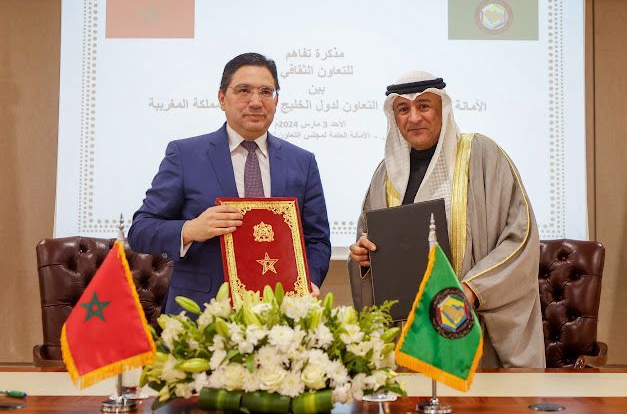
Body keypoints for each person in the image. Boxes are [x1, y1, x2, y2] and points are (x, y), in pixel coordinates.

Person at [348, 71, 545, 368]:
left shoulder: (482, 156)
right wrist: (364, 258)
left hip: (469, 323)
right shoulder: (385, 175)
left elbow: (520, 236)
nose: (414, 117)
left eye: (424, 106)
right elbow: (367, 242)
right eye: (403, 109)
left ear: (443, 109)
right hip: (410, 331)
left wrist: (473, 289)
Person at [129, 53, 331, 314]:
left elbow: (317, 240)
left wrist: (309, 281)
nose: (256, 102)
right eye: (244, 90)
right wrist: (190, 229)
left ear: (276, 100)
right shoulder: (185, 155)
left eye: (266, 92)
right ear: (222, 98)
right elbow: (141, 230)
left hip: (281, 313)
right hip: (202, 314)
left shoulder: (302, 162)